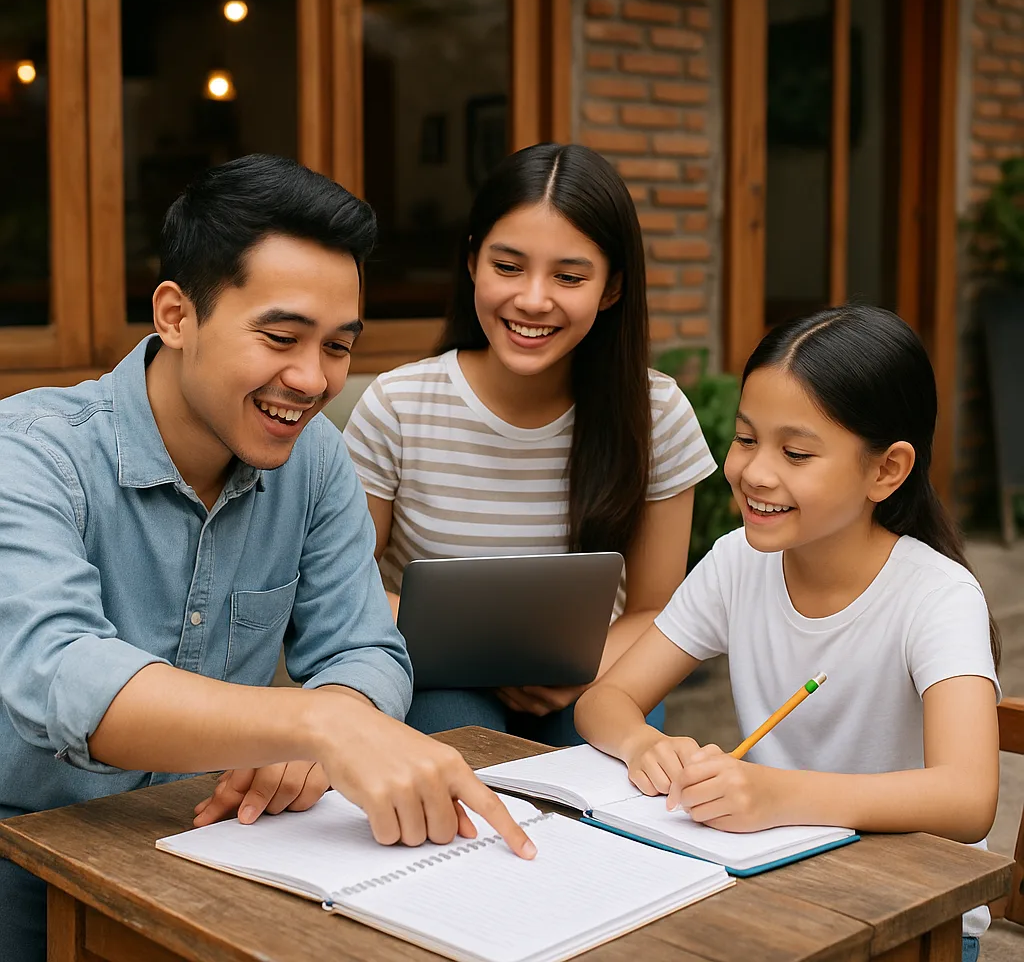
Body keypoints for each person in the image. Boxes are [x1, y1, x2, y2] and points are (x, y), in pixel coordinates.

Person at [0, 154, 533, 962]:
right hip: (26, 858)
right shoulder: (31, 452)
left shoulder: (314, 460)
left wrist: (332, 718)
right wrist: (312, 721)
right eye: (281, 337)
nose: (313, 380)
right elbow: (65, 674)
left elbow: (364, 647)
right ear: (176, 316)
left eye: (339, 346)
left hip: (226, 849)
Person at [574, 304, 1001, 962]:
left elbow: (968, 797)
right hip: (772, 891)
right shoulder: (738, 563)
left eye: (795, 452)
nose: (755, 473)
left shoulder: (937, 597)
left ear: (886, 470)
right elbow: (603, 700)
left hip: (909, 920)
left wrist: (780, 796)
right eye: (746, 439)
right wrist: (642, 744)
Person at [343, 143, 716, 745]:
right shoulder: (398, 406)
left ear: (612, 288)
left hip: (591, 676)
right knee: (451, 737)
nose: (533, 299)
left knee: (612, 745)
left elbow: (657, 612)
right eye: (508, 266)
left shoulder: (657, 415)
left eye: (569, 277)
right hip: (437, 675)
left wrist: (578, 672)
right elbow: (349, 587)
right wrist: (478, 654)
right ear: (472, 264)